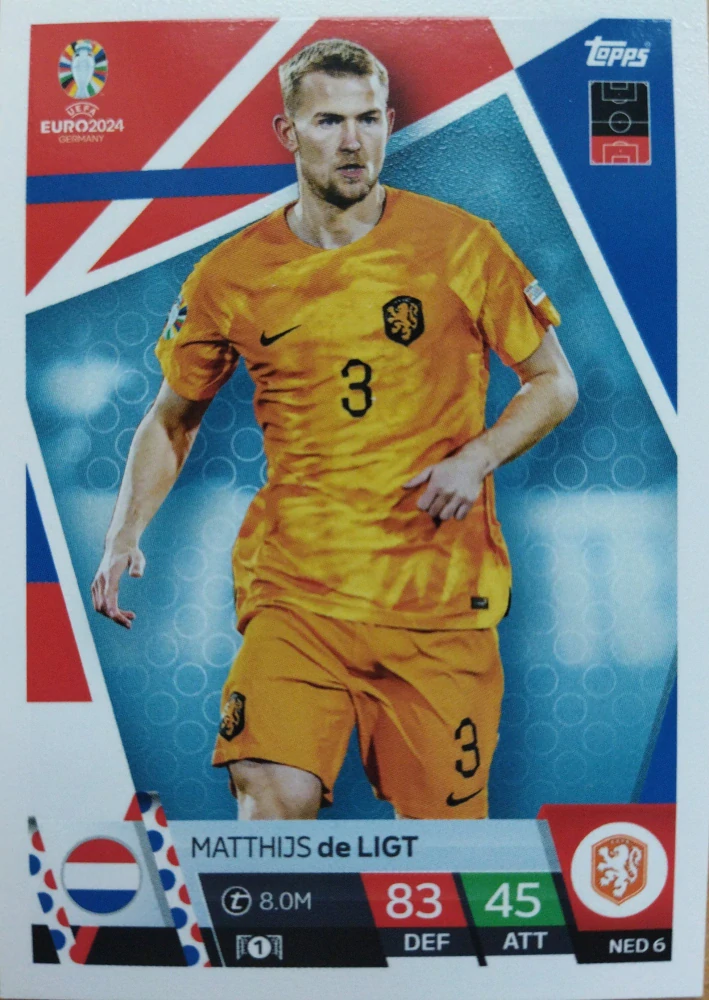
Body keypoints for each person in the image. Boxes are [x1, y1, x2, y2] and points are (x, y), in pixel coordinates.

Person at [91, 38, 577, 821]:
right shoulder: (231, 274)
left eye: (369, 119)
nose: (353, 141)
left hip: (436, 604)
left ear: (388, 123)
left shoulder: (461, 245)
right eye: (328, 121)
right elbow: (172, 417)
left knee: (445, 853)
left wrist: (477, 458)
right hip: (297, 594)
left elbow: (553, 382)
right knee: (269, 789)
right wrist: (123, 533)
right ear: (287, 132)